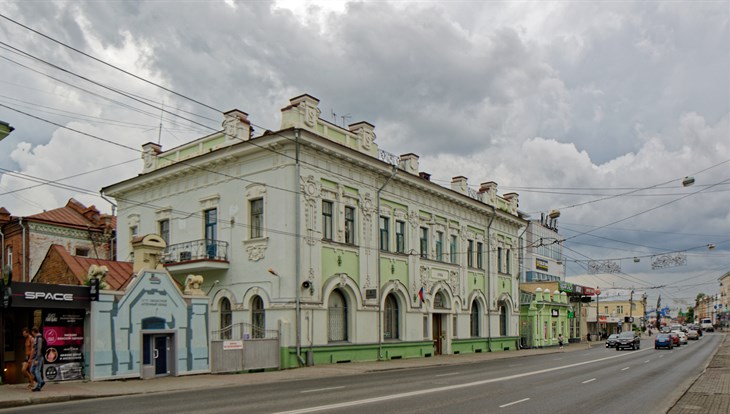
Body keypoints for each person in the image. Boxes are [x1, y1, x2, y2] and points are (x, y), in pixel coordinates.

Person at [30, 327, 45, 392]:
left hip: (38, 357)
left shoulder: (39, 338)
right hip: (35, 357)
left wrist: (36, 359)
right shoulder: (36, 338)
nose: (32, 333)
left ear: (33, 331)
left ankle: (39, 386)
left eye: (32, 332)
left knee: (37, 371)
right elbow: (34, 348)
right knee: (32, 370)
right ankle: (41, 381)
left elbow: (39, 349)